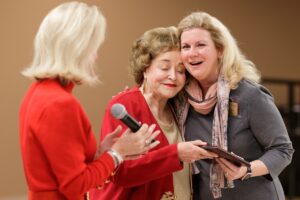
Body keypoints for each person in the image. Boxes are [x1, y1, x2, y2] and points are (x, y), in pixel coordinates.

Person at [19, 2, 160, 200]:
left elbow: (56, 167)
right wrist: (117, 153)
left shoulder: (36, 92)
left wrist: (102, 154)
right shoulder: (60, 104)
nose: (94, 57)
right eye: (93, 48)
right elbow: (75, 185)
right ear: (77, 47)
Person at [172, 11, 294, 200]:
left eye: (201, 45)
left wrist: (248, 169)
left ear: (220, 50)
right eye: (185, 46)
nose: (192, 53)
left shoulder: (250, 94)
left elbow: (283, 150)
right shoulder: (180, 99)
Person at [89, 26, 217, 200]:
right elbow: (121, 172)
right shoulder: (125, 106)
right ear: (145, 68)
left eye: (181, 70)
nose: (173, 76)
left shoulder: (179, 108)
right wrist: (176, 154)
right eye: (164, 68)